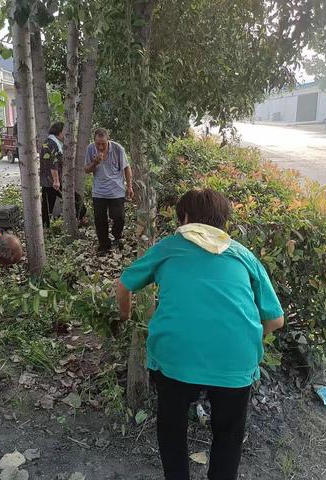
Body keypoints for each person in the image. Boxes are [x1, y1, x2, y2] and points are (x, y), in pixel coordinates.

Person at [115, 188, 284, 480]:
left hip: (175, 354)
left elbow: (124, 286)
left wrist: (126, 316)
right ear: (223, 222)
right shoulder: (244, 255)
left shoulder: (169, 247)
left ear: (187, 218)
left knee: (171, 426)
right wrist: (247, 337)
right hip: (235, 359)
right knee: (229, 434)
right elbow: (276, 319)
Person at [84, 128, 133, 253]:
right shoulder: (90, 149)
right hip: (99, 191)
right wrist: (95, 162)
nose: (100, 147)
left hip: (116, 190)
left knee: (119, 217)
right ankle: (104, 245)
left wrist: (130, 186)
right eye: (98, 144)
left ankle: (117, 236)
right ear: (94, 141)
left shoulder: (118, 149)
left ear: (108, 140)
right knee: (100, 220)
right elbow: (86, 170)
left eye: (103, 144)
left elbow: (127, 168)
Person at [40, 122, 87, 227]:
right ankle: (80, 218)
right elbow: (53, 163)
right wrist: (56, 181)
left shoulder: (48, 142)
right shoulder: (53, 144)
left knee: (47, 206)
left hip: (47, 180)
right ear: (60, 132)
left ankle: (45, 227)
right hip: (53, 181)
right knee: (75, 199)